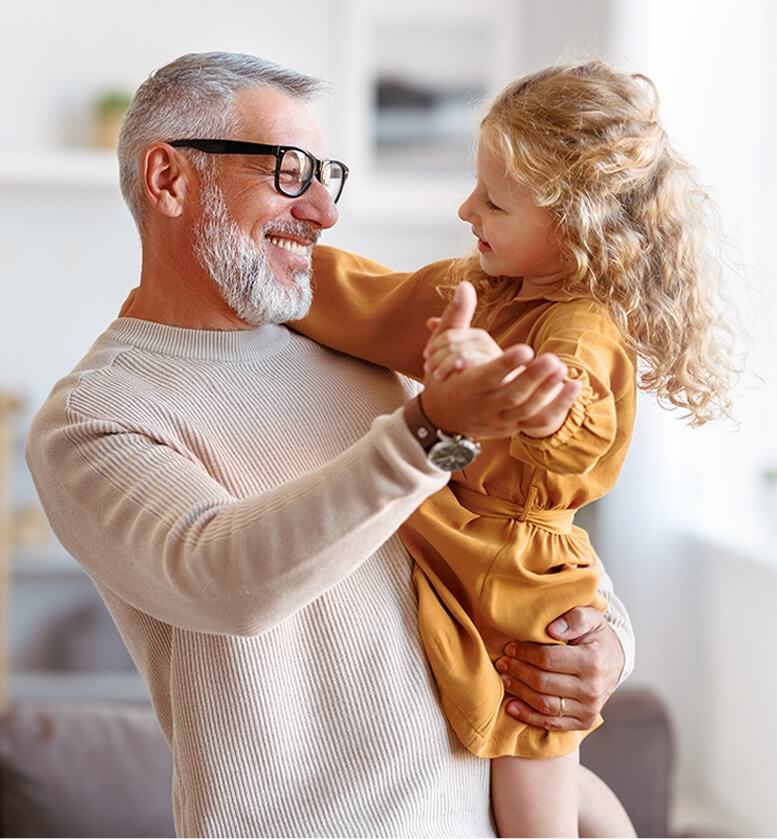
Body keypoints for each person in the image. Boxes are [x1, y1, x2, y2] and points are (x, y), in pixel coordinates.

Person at [24, 52, 636, 837]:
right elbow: (225, 577)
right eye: (287, 172)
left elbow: (511, 525)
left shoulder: (364, 352)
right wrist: (433, 428)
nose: (322, 210)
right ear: (169, 180)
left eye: (325, 175)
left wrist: (606, 642)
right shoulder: (96, 415)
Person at [290, 60, 740, 837]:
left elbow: (570, 423)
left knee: (535, 800)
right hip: (463, 538)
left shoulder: (580, 325)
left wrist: (498, 386)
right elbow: (371, 300)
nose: (467, 209)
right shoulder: (482, 288)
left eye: (493, 201)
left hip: (525, 587)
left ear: (575, 224)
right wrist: (277, 268)